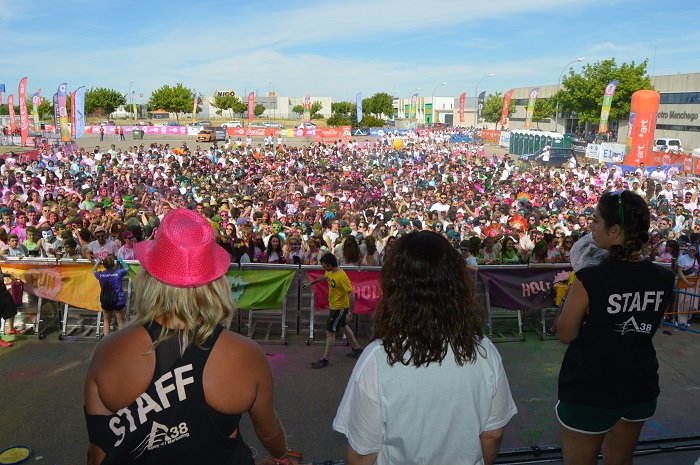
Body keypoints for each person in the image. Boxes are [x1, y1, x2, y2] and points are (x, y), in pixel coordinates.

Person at [84, 209, 289, 465]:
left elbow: (98, 454)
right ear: (216, 282)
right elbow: (270, 432)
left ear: (149, 277)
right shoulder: (245, 354)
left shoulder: (109, 351)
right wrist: (281, 455)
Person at [333, 231, 517, 464]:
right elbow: (493, 434)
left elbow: (362, 454)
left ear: (394, 286)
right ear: (456, 284)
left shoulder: (376, 359)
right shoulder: (484, 350)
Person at [556, 190, 676, 465]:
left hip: (591, 389)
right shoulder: (663, 277)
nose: (590, 226)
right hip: (639, 387)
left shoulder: (589, 278)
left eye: (596, 221)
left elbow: (566, 332)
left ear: (615, 230)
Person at [303, 252, 363, 368]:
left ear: (330, 265)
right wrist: (312, 282)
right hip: (336, 307)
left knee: (330, 332)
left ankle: (325, 359)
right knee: (344, 327)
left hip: (339, 308)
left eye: (324, 266)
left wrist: (350, 312)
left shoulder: (342, 276)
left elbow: (351, 293)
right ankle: (356, 348)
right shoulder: (330, 272)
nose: (323, 268)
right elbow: (324, 276)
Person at [92, 255, 129, 336]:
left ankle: (106, 341)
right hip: (119, 300)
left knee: (106, 321)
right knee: (121, 322)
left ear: (104, 265)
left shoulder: (100, 275)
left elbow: (93, 271)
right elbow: (127, 268)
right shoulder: (118, 273)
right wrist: (122, 261)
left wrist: (97, 263)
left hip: (106, 301)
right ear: (113, 264)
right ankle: (122, 341)